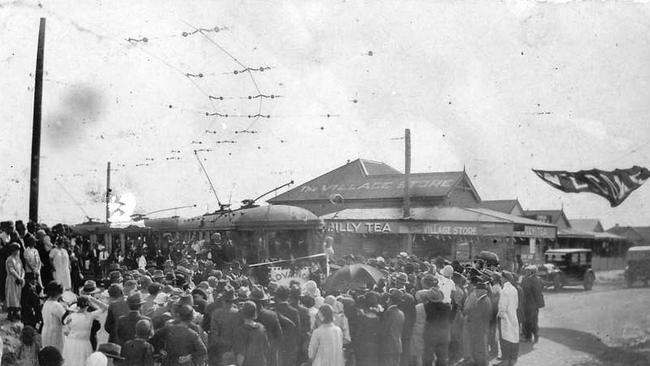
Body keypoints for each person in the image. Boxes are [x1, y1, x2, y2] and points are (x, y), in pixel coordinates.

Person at [62, 295, 109, 366]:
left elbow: (66, 332)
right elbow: (105, 307)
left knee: (71, 362)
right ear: (88, 306)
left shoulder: (71, 316)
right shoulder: (90, 316)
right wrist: (93, 299)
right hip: (84, 343)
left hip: (71, 342)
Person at [462, 277, 492, 366]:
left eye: (477, 290)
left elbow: (477, 315)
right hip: (480, 327)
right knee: (480, 347)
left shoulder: (483, 301)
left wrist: (469, 317)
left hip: (480, 328)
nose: (476, 291)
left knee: (480, 348)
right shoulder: (483, 299)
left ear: (483, 291)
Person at [250, 285, 283, 366]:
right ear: (263, 301)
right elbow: (279, 335)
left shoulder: (246, 316)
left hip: (252, 355)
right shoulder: (271, 315)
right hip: (269, 353)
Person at [233, 300, 270, 366]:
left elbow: (241, 354)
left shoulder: (241, 331)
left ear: (243, 313)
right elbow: (266, 347)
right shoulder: (261, 327)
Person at [423, 288, 452, 366]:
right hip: (444, 335)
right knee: (442, 358)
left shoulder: (426, 307)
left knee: (428, 358)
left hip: (430, 335)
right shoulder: (447, 307)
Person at [274, 285, 302, 366]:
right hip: (290, 346)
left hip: (277, 347)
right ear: (288, 296)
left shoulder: (273, 310)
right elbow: (298, 331)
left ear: (277, 296)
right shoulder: (294, 312)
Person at [497, 271, 520, 366]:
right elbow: (516, 304)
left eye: (501, 278)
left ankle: (505, 360)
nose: (500, 280)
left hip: (505, 318)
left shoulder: (504, 290)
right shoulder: (514, 289)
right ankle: (512, 359)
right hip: (513, 316)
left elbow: (502, 307)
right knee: (513, 338)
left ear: (504, 278)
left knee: (505, 339)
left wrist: (500, 315)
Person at [379, 288, 405, 366]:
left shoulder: (389, 312)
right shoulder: (401, 313)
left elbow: (384, 330)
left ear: (390, 300)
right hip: (398, 345)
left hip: (388, 346)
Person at [521, 266, 545, 344]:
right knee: (535, 320)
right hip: (536, 304)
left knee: (527, 321)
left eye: (527, 271)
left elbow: (523, 290)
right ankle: (536, 335)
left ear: (531, 272)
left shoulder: (527, 280)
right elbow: (542, 287)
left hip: (528, 304)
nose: (525, 273)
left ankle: (528, 337)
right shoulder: (539, 279)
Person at [42, 281, 67, 350]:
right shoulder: (56, 305)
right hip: (55, 334)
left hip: (45, 331)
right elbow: (65, 320)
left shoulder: (46, 303)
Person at [6, 242, 25, 321]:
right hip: (12, 280)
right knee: (11, 296)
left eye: (18, 250)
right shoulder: (10, 259)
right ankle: (11, 314)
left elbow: (22, 269)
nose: (17, 251)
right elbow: (11, 270)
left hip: (19, 280)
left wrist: (22, 277)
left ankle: (16, 312)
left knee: (17, 296)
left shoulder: (18, 259)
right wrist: (18, 277)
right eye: (15, 250)